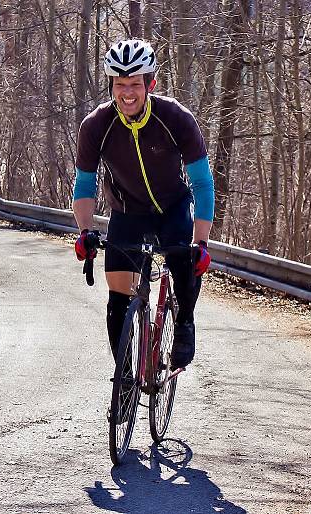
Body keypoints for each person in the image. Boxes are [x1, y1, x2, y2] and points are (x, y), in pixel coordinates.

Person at [72, 39, 214, 370]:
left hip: (173, 209)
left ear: (150, 83)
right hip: (127, 212)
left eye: (135, 83)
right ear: (112, 85)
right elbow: (84, 185)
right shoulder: (96, 126)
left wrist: (202, 241)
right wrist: (85, 231)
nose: (128, 93)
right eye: (120, 84)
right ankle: (123, 378)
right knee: (118, 298)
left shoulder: (175, 118)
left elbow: (203, 183)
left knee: (185, 263)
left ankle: (184, 324)